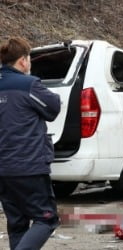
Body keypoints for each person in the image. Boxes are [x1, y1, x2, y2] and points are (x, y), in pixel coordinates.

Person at [0, 37, 61, 250]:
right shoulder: (29, 85)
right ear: (23, 61)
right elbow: (53, 108)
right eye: (30, 59)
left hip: (3, 170)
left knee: (17, 225)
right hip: (29, 167)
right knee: (46, 219)